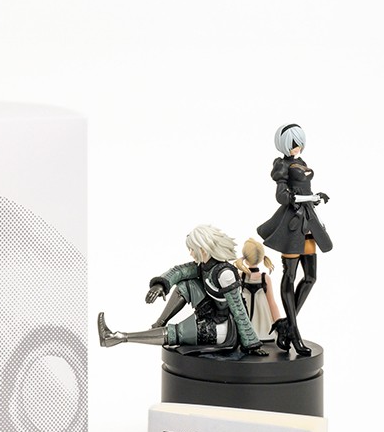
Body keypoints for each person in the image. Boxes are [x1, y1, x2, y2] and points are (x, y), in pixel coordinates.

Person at [97, 225, 267, 356]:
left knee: (175, 333)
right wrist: (161, 284)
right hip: (209, 310)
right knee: (185, 284)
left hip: (220, 327)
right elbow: (180, 271)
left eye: (193, 249)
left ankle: (120, 337)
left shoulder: (225, 274)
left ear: (203, 249)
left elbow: (238, 310)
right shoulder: (204, 266)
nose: (191, 253)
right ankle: (157, 325)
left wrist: (251, 343)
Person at [256, 123, 332, 355]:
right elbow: (282, 196)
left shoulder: (302, 162)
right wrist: (307, 197)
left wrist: (315, 198)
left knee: (310, 277)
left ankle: (286, 326)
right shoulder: (281, 165)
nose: (297, 147)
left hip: (308, 220)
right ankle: (295, 334)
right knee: (289, 276)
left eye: (299, 143)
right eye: (292, 143)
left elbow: (304, 190)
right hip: (292, 223)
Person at [235, 238, 281, 341]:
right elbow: (272, 303)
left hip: (246, 322)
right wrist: (279, 322)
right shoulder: (264, 278)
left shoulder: (241, 276)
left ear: (245, 258)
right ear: (261, 258)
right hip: (263, 325)